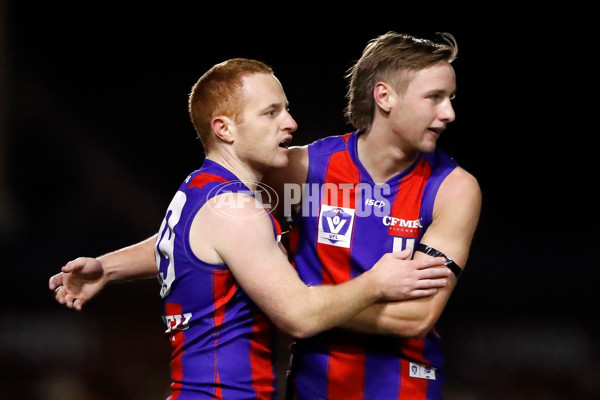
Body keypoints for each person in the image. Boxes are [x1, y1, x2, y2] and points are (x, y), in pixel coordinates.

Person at [51, 31, 481, 400]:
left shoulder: (453, 188)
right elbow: (218, 236)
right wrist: (291, 298)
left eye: (451, 98)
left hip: (402, 386)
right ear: (384, 96)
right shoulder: (302, 170)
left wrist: (291, 297)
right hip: (309, 386)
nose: (449, 113)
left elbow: (417, 316)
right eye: (435, 98)